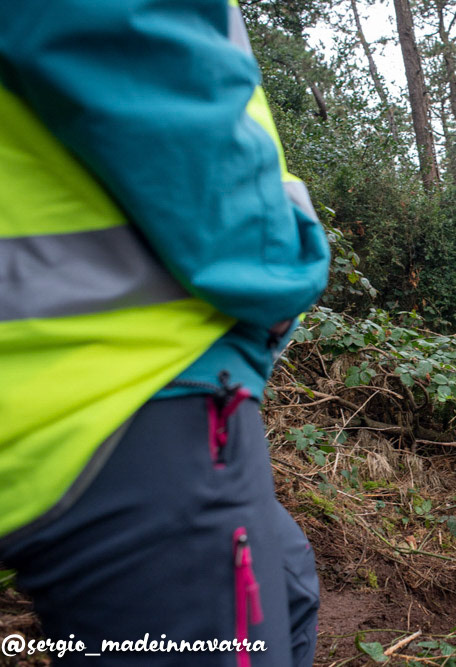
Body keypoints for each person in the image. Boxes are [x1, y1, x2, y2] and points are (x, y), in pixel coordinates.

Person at [0, 2, 329, 665]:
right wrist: (278, 265)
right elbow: (125, 32)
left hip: (79, 384)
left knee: (290, 584)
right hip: (123, 386)